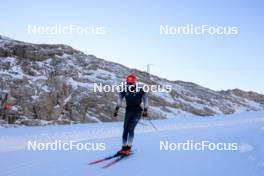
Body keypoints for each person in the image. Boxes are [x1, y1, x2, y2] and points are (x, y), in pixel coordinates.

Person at [113, 74, 148, 155]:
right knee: (125, 129)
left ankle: (129, 147)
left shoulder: (139, 89)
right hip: (128, 110)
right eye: (128, 82)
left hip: (137, 111)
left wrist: (145, 110)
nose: (129, 84)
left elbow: (145, 98)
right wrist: (116, 109)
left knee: (130, 129)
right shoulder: (124, 89)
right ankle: (124, 147)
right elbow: (119, 99)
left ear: (134, 82)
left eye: (131, 83)